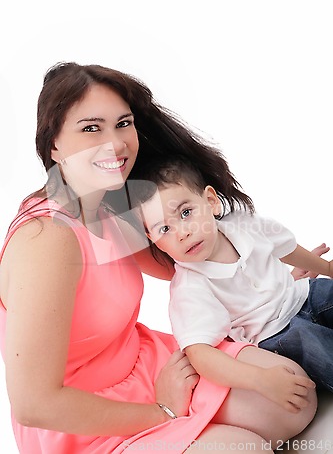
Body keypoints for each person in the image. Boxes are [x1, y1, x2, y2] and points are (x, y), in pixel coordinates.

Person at [0, 63, 316, 454]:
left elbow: (194, 264)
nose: (115, 144)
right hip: (79, 418)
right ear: (53, 146)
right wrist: (163, 410)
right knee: (244, 448)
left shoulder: (110, 204)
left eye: (123, 123)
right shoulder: (47, 239)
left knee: (294, 398)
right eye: (91, 128)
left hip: (147, 364)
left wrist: (272, 276)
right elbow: (35, 405)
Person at [132, 154, 333, 406]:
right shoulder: (190, 287)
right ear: (153, 239)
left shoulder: (243, 224)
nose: (182, 233)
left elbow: (286, 248)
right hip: (276, 333)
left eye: (186, 212)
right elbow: (199, 352)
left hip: (302, 293)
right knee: (315, 345)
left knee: (327, 293)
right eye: (164, 229)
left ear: (211, 202)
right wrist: (260, 378)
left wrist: (326, 267)